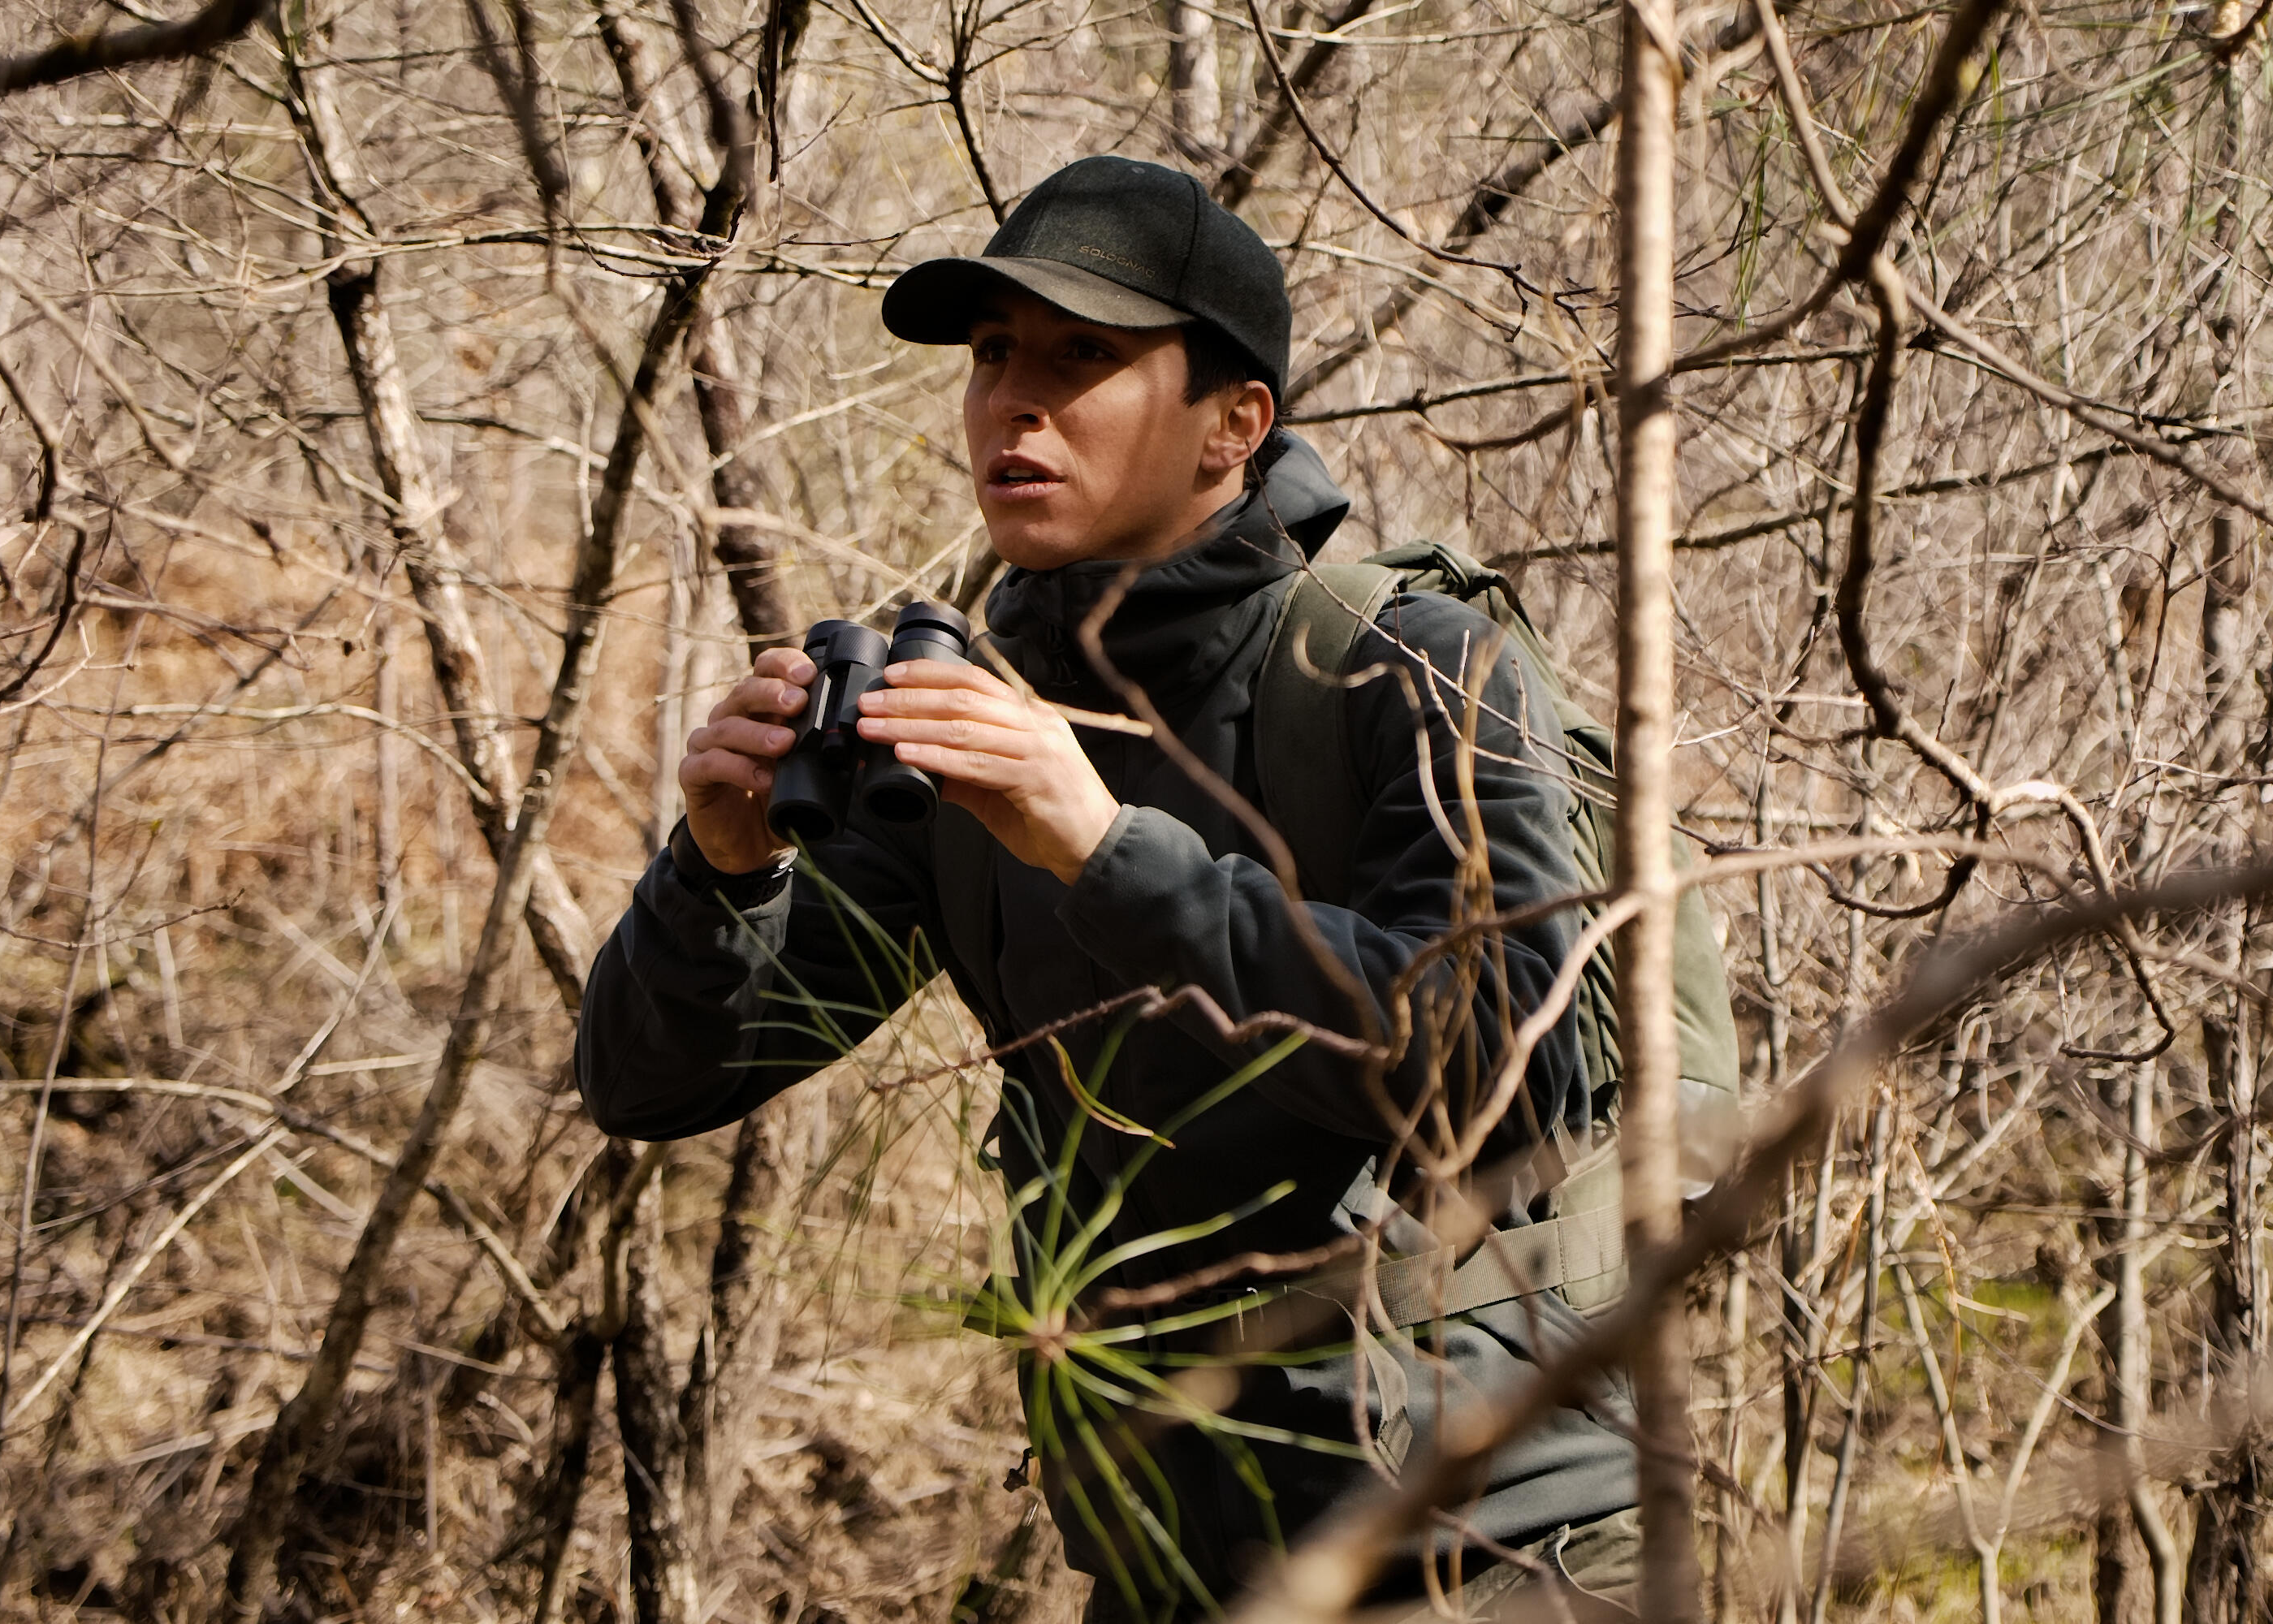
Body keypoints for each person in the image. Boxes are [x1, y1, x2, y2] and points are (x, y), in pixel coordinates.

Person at [575, 155, 1641, 1622]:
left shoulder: (1418, 669)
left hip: (1491, 1550)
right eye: (995, 357)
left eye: (1084, 359)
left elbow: (1506, 1073)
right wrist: (723, 863)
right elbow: (650, 1082)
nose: (1015, 403)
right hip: (1167, 1560)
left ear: (1234, 425)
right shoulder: (967, 724)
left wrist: (1098, 843)